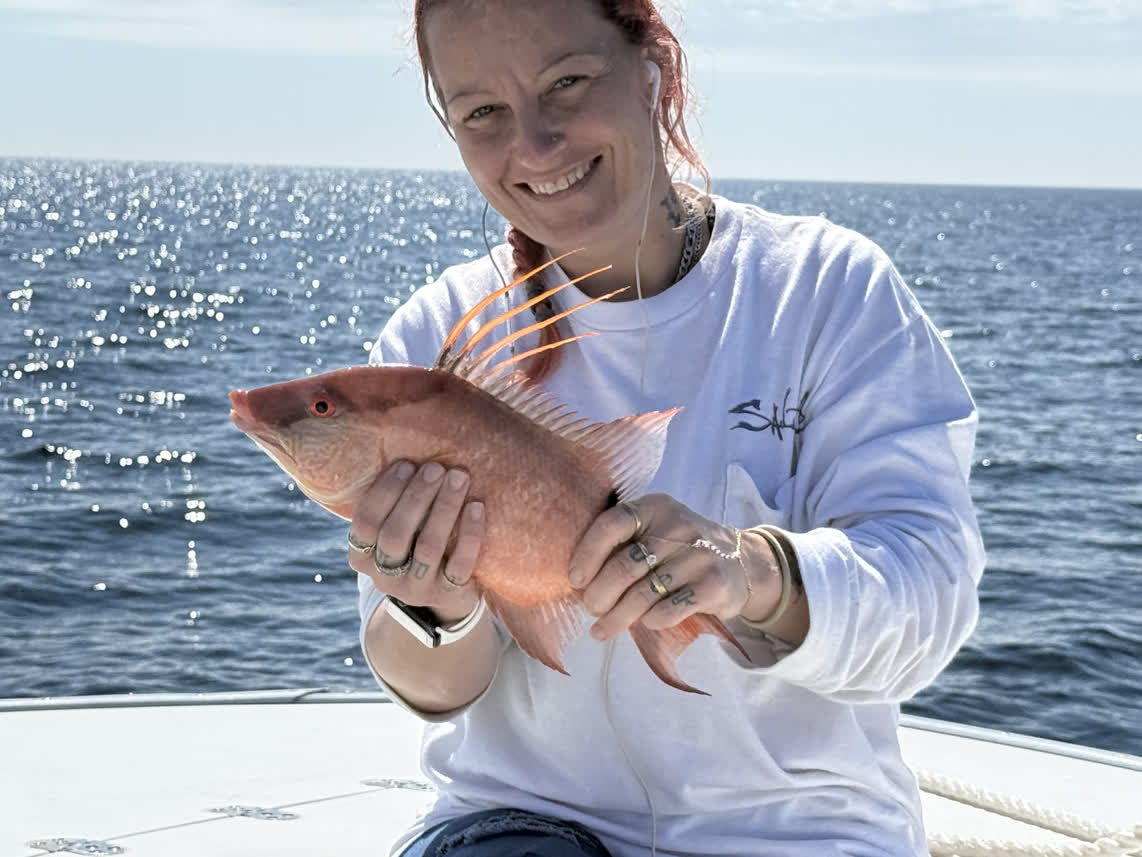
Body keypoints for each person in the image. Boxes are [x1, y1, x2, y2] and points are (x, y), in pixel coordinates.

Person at [347, 0, 986, 855]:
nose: (534, 146)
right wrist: (435, 607)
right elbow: (436, 691)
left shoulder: (826, 290)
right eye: (483, 113)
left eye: (567, 82)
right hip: (519, 825)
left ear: (656, 70)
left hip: (795, 834)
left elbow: (931, 592)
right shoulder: (434, 343)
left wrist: (758, 571)